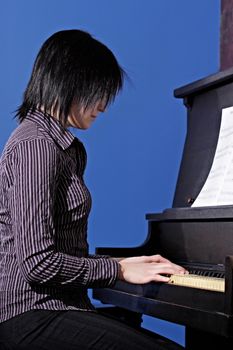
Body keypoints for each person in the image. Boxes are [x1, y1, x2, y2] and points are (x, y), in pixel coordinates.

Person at [0, 29, 186, 350]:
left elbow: (57, 253)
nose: (103, 105)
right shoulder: (37, 145)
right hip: (30, 314)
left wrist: (127, 264)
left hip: (59, 306)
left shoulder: (64, 146)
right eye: (98, 91)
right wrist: (118, 268)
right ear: (68, 81)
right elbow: (38, 263)